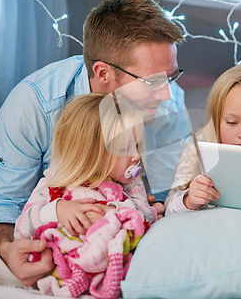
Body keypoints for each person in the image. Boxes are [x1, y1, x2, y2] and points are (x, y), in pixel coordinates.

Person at [0, 0, 191, 287]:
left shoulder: (168, 102)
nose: (166, 95)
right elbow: (3, 200)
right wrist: (7, 248)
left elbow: (167, 192)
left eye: (171, 76)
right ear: (103, 73)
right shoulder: (35, 106)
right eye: (152, 82)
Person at [14, 92, 156, 298]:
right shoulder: (56, 186)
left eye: (137, 145)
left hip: (108, 258)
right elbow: (22, 228)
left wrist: (114, 211)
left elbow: (145, 215)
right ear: (90, 154)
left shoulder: (131, 184)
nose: (136, 156)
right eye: (126, 148)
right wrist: (57, 210)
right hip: (65, 261)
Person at [165, 62, 241, 214]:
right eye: (232, 122)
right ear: (216, 118)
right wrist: (188, 200)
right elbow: (169, 206)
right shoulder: (196, 148)